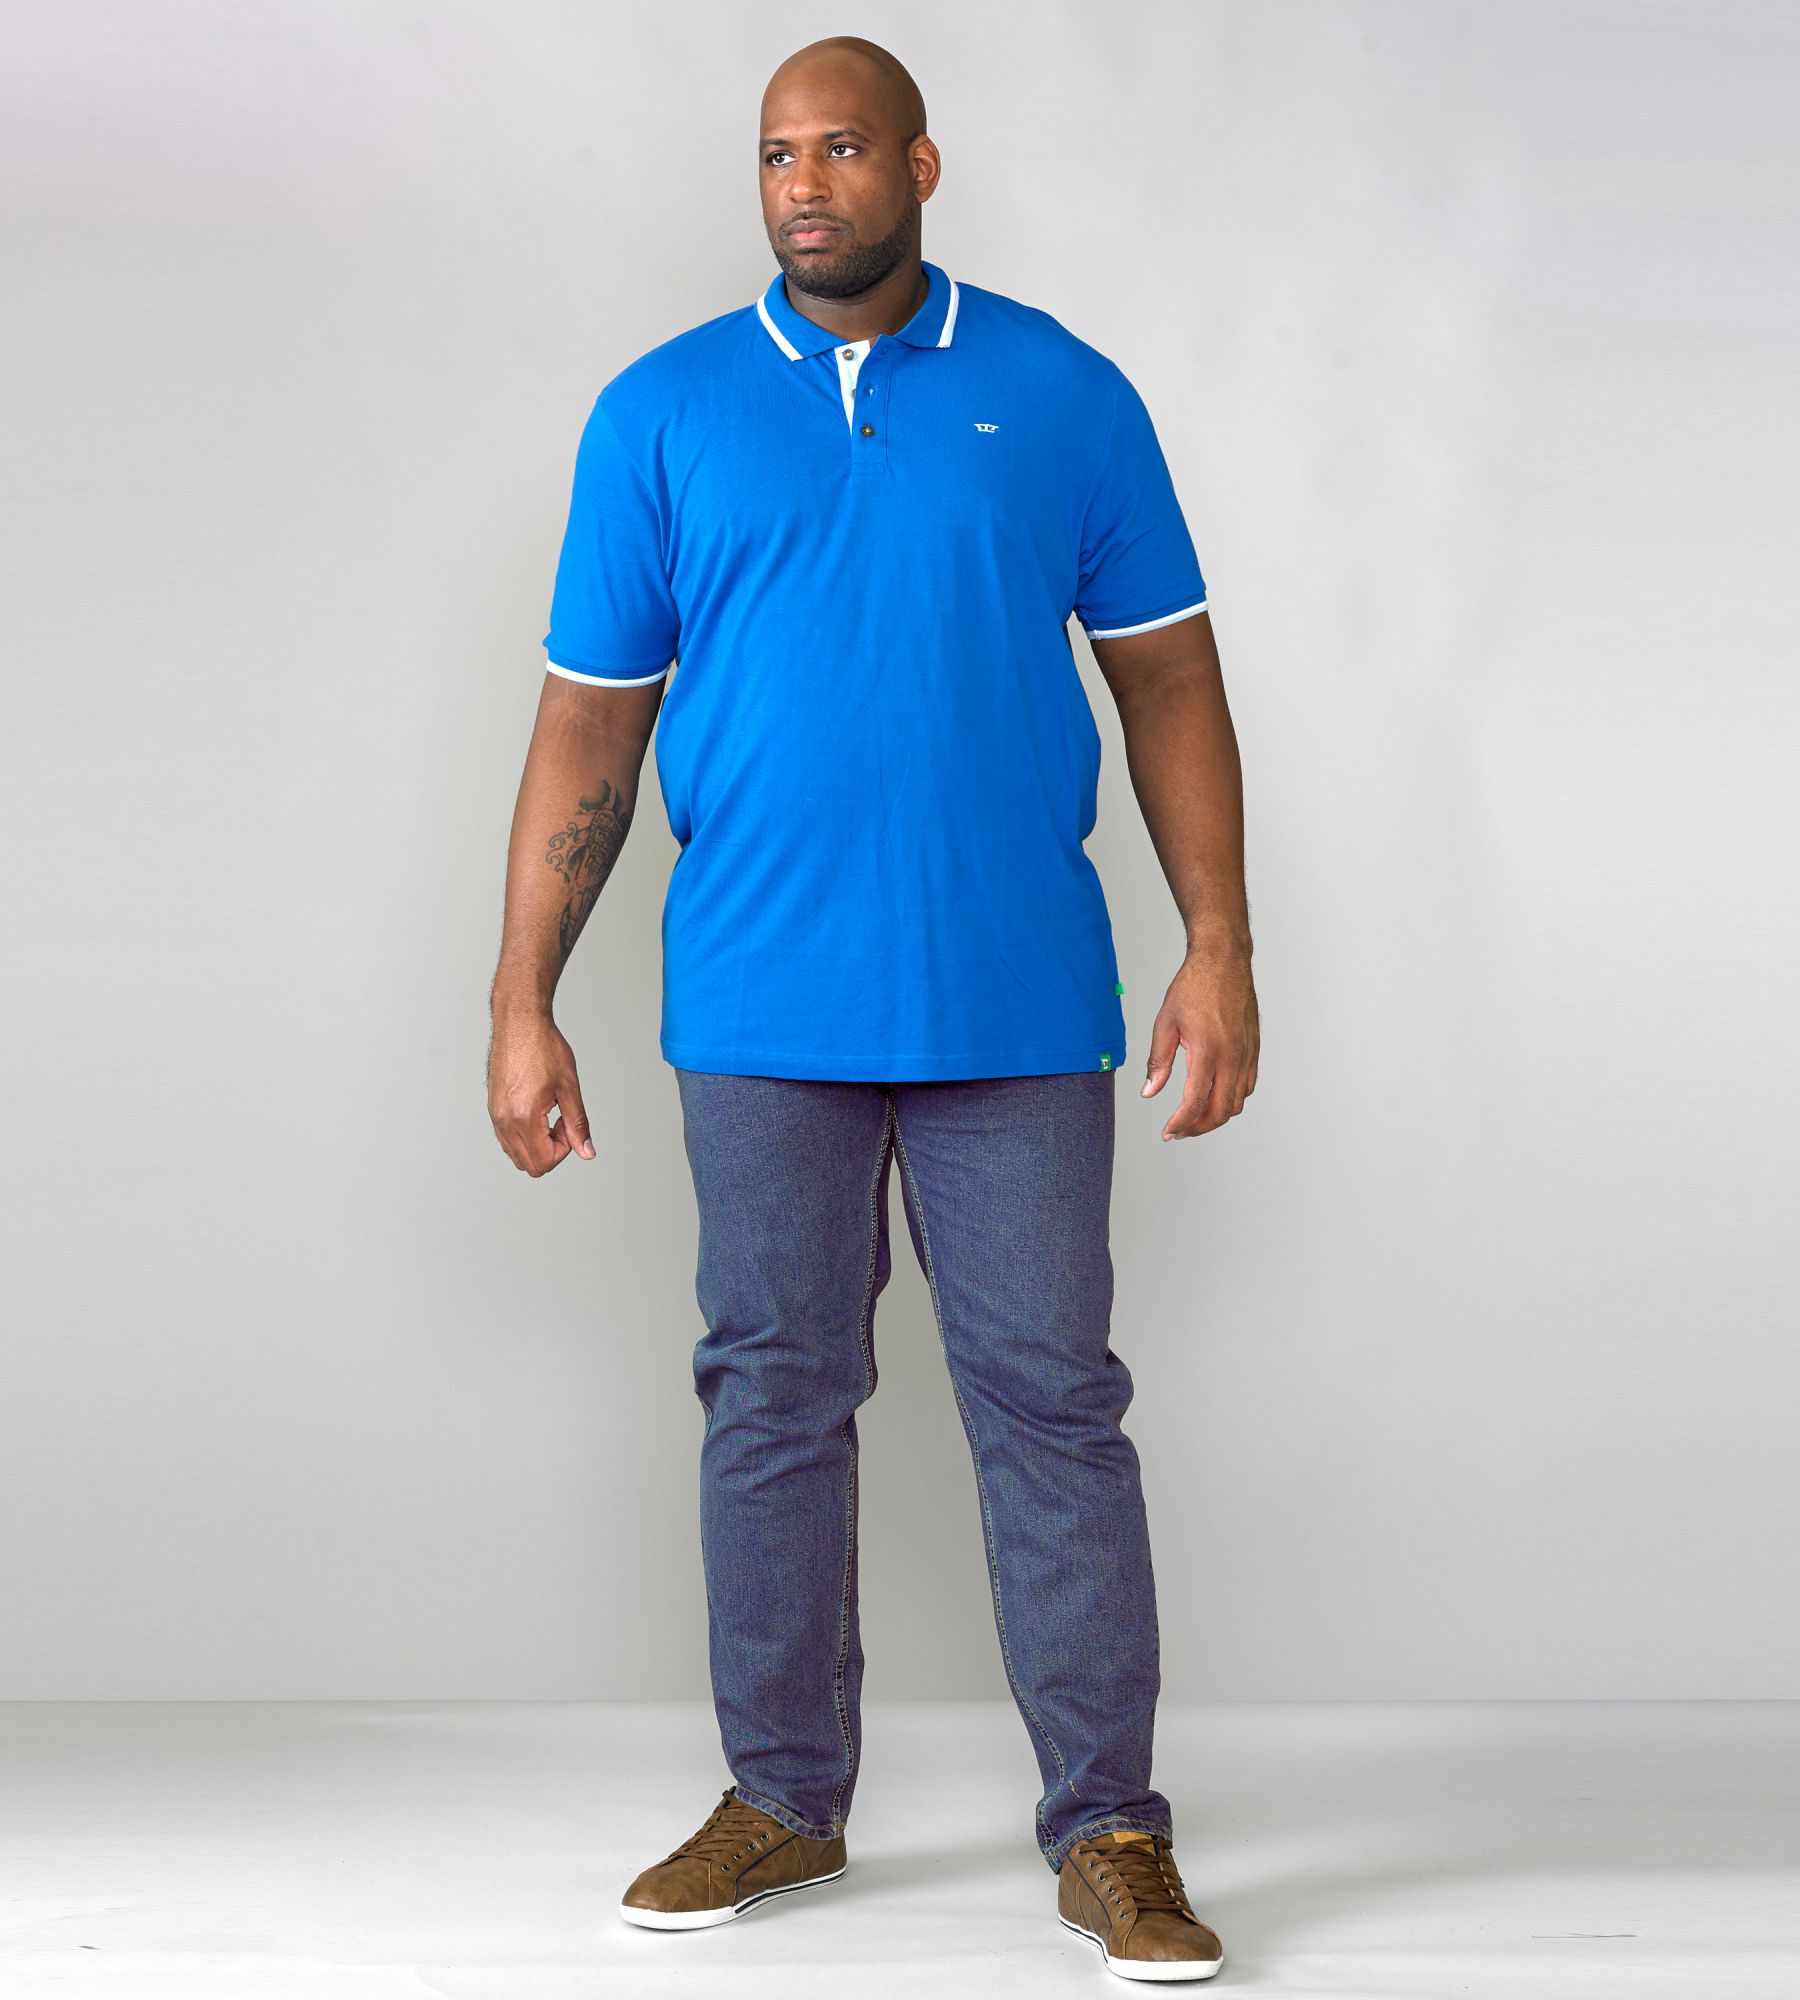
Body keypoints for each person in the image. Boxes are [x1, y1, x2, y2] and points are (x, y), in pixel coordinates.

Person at [486, 33, 1257, 1985]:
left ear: (921, 164)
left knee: (1052, 1406)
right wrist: (521, 997)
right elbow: (589, 723)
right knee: (769, 1396)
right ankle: (782, 1799)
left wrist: (1220, 943)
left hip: (1019, 1002)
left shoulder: (1062, 392)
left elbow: (1169, 677)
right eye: (776, 156)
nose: (804, 185)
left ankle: (1112, 1829)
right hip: (759, 1003)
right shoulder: (661, 412)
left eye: (840, 148)